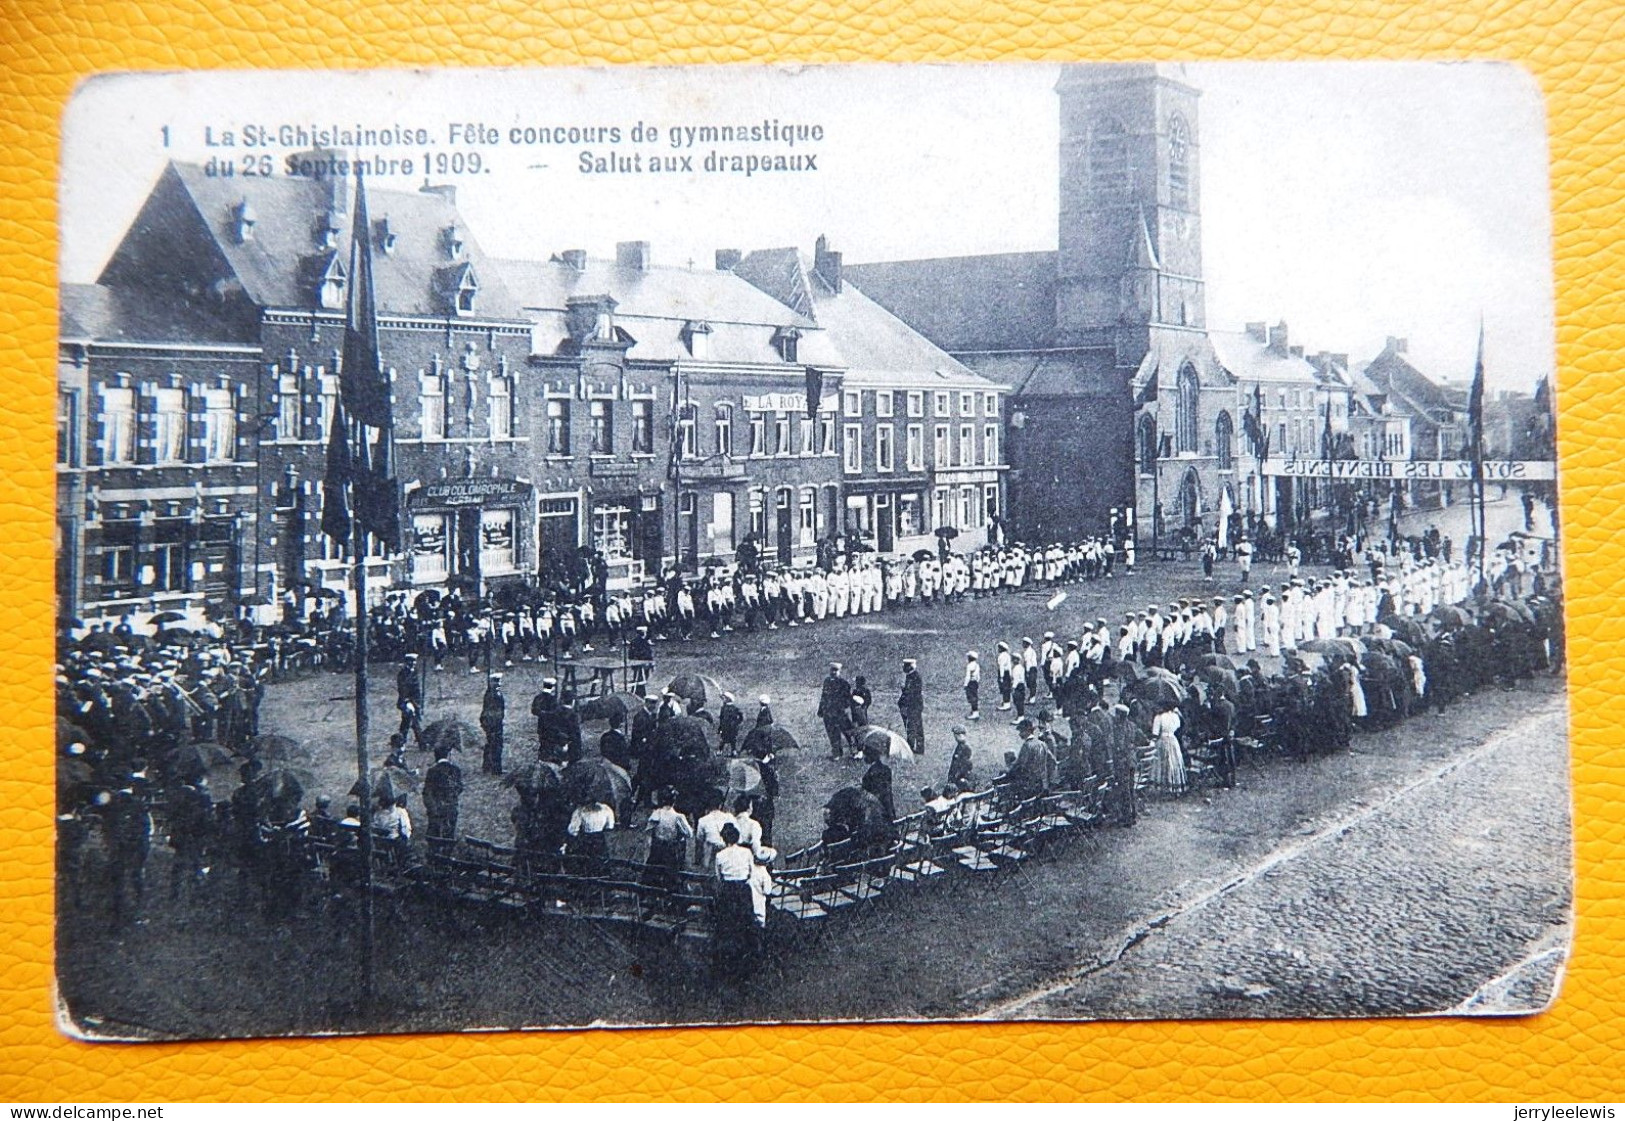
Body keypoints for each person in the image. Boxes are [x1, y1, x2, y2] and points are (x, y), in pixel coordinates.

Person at [712, 823, 758, 975]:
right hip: (742, 889)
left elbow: (719, 878)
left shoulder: (719, 855)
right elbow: (751, 872)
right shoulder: (746, 853)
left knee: (728, 924)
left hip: (728, 890)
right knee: (745, 921)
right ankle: (747, 956)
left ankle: (728, 957)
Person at [421, 743, 463, 856]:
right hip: (451, 808)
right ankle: (446, 858)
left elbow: (427, 792)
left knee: (434, 837)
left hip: (436, 809)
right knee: (449, 836)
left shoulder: (432, 771)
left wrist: (432, 808)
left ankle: (434, 859)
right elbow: (460, 788)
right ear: (448, 755)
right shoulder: (456, 770)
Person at [817, 662, 854, 761]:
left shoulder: (844, 684)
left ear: (839, 671)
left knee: (848, 732)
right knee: (832, 734)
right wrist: (820, 709)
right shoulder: (827, 682)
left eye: (835, 670)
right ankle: (837, 753)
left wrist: (841, 707)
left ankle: (854, 751)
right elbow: (823, 697)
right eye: (832, 670)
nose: (833, 672)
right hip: (828, 713)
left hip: (840, 713)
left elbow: (848, 699)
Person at [1149, 705, 1187, 796]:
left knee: (1162, 763)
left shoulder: (1159, 717)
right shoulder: (1175, 716)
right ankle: (1174, 786)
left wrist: (1152, 741)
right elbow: (1179, 726)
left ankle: (1163, 787)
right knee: (1174, 762)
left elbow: (1155, 733)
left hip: (1163, 740)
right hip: (1173, 740)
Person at [565, 799, 615, 863]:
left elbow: (572, 830)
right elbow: (610, 826)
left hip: (586, 842)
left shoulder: (580, 811)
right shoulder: (606, 809)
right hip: (600, 841)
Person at [695, 794, 735, 871]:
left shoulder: (703, 820)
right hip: (727, 851)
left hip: (709, 853)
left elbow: (699, 838)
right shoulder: (729, 817)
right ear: (720, 805)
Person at [862, 747, 897, 822]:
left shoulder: (870, 773)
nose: (864, 758)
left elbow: (867, 789)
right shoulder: (886, 769)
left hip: (876, 805)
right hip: (887, 804)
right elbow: (888, 790)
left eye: (865, 756)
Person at [479, 674, 506, 775]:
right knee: (496, 746)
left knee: (490, 744)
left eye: (499, 681)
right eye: (496, 682)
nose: (498, 684)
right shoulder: (493, 695)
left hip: (492, 723)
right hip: (493, 724)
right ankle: (496, 769)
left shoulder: (492, 693)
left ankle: (487, 767)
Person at [395, 654, 424, 746]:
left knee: (406, 723)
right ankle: (421, 743)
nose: (414, 663)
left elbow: (416, 689)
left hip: (415, 701)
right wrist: (407, 702)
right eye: (412, 661)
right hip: (407, 701)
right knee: (413, 722)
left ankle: (401, 741)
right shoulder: (403, 673)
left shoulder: (414, 671)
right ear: (407, 662)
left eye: (415, 661)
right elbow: (402, 689)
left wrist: (417, 702)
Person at [899, 657, 926, 755]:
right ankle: (919, 747)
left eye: (905, 666)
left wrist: (904, 691)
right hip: (915, 705)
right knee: (916, 726)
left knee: (912, 727)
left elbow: (911, 693)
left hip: (913, 706)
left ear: (909, 667)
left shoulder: (913, 677)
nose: (903, 668)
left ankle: (911, 747)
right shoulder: (912, 676)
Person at [963, 651, 981, 720]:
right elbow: (978, 676)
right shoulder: (977, 665)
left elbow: (968, 676)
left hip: (970, 683)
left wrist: (965, 684)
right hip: (975, 682)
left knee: (971, 697)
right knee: (975, 696)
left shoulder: (969, 666)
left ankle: (975, 713)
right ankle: (975, 711)